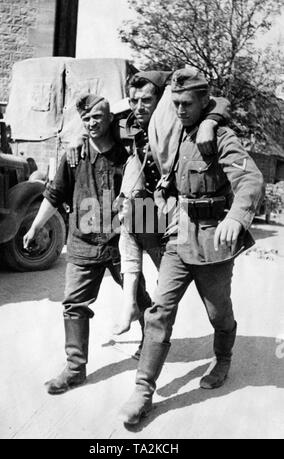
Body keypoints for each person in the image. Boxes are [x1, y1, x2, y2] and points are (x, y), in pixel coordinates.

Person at [119, 68, 264, 425]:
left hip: (214, 239)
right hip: (178, 234)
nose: (180, 110)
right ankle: (142, 390)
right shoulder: (176, 135)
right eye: (176, 103)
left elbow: (251, 179)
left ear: (203, 102)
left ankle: (223, 358)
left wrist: (236, 217)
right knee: (159, 311)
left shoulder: (220, 136)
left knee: (219, 313)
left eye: (187, 103)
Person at [23, 93, 152, 395]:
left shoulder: (127, 157)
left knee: (140, 299)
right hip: (82, 243)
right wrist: (34, 228)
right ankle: (74, 368)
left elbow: (141, 201)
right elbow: (54, 195)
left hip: (121, 243)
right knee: (74, 305)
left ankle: (150, 346)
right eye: (86, 118)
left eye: (97, 117)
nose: (92, 123)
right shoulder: (74, 156)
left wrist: (149, 243)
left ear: (109, 119)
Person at [114, 70, 231, 335]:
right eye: (133, 100)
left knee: (182, 287)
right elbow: (91, 121)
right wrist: (75, 137)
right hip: (158, 206)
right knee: (128, 218)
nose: (139, 107)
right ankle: (132, 307)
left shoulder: (175, 116)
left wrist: (209, 122)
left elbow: (220, 102)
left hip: (187, 212)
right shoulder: (133, 123)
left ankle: (157, 328)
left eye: (146, 100)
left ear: (161, 98)